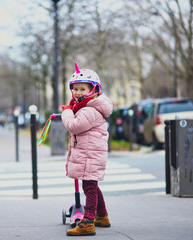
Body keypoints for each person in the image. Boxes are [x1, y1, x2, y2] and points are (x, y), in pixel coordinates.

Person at [61, 62, 113, 236]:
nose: (77, 93)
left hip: (90, 156)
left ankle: (88, 222)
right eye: (75, 89)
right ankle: (102, 216)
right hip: (89, 154)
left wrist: (67, 111)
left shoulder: (89, 110)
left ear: (94, 91)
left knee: (89, 188)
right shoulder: (87, 107)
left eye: (82, 89)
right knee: (93, 186)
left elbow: (73, 126)